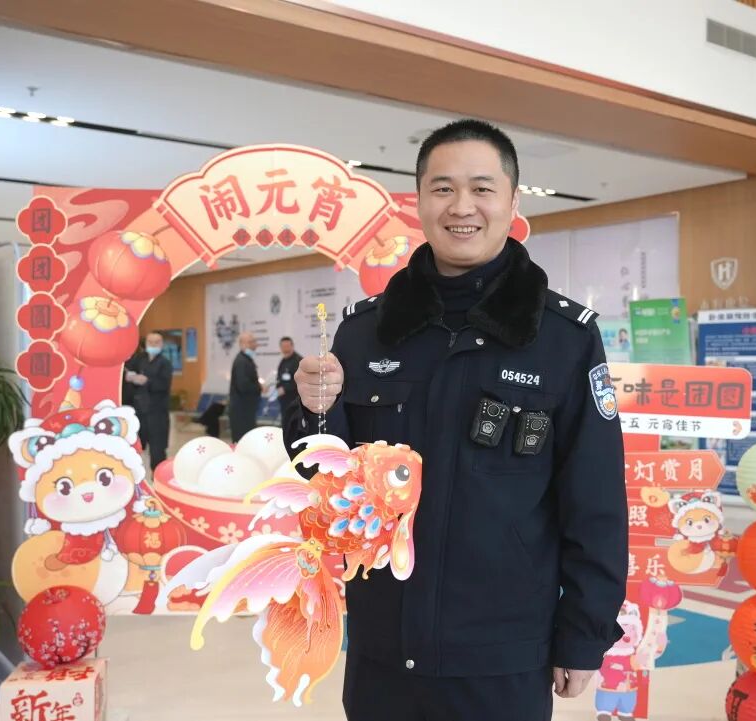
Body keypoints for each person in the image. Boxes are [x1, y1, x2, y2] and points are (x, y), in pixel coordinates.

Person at [289, 119, 627, 721]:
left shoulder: (563, 339)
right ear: (418, 202)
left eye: (482, 188)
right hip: (383, 644)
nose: (462, 207)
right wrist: (313, 410)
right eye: (443, 188)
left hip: (502, 651)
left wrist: (583, 633)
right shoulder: (364, 332)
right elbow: (326, 481)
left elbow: (595, 500)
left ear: (513, 202)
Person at [128, 332, 172, 471]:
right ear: (146, 343)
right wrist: (130, 377)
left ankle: (158, 475)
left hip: (157, 412)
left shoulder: (165, 363)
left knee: (157, 449)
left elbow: (164, 384)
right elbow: (128, 371)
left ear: (161, 344)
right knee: (136, 446)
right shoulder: (140, 359)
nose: (153, 345)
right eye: (150, 342)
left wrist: (147, 381)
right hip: (140, 410)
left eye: (156, 342)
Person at [229, 331, 266, 442]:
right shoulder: (241, 361)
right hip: (241, 412)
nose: (254, 344)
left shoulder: (246, 360)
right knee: (242, 442)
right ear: (242, 344)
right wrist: (259, 387)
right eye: (250, 342)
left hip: (246, 410)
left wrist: (258, 385)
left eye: (254, 341)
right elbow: (243, 386)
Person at [275, 336, 303, 430]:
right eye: (283, 347)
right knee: (286, 425)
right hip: (284, 401)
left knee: (294, 425)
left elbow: (300, 380)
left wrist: (285, 388)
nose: (285, 349)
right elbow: (280, 378)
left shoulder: (298, 361)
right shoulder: (283, 361)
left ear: (292, 346)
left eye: (287, 346)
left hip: (295, 400)